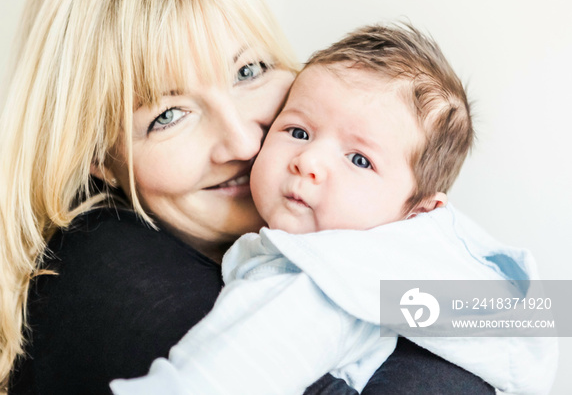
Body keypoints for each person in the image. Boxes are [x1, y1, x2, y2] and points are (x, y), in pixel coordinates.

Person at [0, 0, 510, 394]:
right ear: (99, 158)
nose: (245, 143)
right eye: (169, 115)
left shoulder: (354, 210)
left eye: (249, 72)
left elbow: (528, 315)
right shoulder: (111, 272)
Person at [109, 24, 557, 394]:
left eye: (359, 159)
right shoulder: (433, 267)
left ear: (419, 211)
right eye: (299, 131)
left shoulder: (325, 280)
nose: (310, 161)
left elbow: (225, 375)